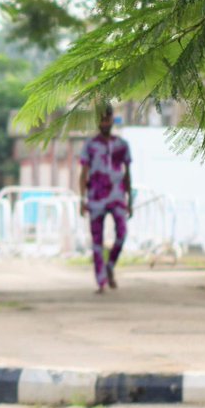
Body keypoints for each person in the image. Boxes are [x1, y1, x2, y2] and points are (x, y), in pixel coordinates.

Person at [78, 103, 133, 294]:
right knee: (96, 241)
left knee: (122, 234)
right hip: (96, 197)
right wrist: (82, 199)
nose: (105, 123)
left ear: (112, 120)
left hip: (117, 196)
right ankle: (100, 281)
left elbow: (128, 174)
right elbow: (83, 173)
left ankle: (110, 266)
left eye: (107, 119)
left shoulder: (122, 145)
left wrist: (130, 201)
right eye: (101, 119)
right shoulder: (90, 145)